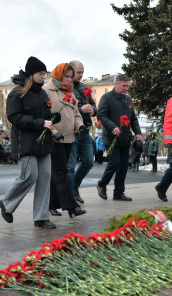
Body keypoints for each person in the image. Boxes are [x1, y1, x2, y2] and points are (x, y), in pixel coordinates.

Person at [0, 56, 58, 229]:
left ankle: (41, 217)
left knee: (45, 177)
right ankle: (6, 204)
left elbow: (45, 116)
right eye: (40, 73)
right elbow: (14, 117)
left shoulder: (42, 93)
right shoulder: (17, 93)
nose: (43, 77)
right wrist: (39, 123)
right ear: (31, 74)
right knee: (29, 176)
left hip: (44, 143)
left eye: (45, 74)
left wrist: (53, 117)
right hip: (26, 143)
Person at [43, 62, 86, 219]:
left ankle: (51, 204)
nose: (69, 80)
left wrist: (80, 126)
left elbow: (76, 114)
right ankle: (72, 206)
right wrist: (53, 132)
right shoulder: (46, 91)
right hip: (54, 139)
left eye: (71, 77)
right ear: (58, 75)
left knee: (57, 174)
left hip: (69, 138)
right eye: (66, 76)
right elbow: (44, 116)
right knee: (61, 172)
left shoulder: (71, 93)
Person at [96, 74, 141, 201]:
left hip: (125, 138)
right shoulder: (107, 98)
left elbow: (133, 118)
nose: (126, 88)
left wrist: (137, 132)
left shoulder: (128, 100)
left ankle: (119, 193)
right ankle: (101, 184)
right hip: (111, 137)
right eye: (124, 86)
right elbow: (101, 115)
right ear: (116, 84)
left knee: (123, 166)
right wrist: (112, 127)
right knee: (114, 163)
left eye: (128, 86)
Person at [67, 61, 97, 204]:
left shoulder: (85, 87)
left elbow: (94, 106)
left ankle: (75, 187)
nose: (81, 75)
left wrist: (92, 110)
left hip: (85, 130)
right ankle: (71, 193)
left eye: (82, 72)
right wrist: (81, 110)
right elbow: (66, 110)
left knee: (89, 162)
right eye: (78, 72)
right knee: (70, 166)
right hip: (72, 131)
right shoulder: (65, 87)